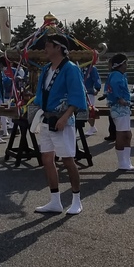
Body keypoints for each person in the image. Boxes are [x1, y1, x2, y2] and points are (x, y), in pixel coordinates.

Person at [32, 33, 88, 215]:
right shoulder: (47, 68)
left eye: (48, 45)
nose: (45, 49)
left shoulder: (70, 68)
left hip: (62, 121)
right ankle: (55, 201)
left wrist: (65, 117)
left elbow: (77, 94)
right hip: (47, 119)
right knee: (47, 159)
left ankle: (76, 199)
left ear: (58, 47)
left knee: (68, 159)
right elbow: (41, 95)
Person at [105, 54, 134, 171]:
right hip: (119, 107)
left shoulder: (118, 75)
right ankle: (122, 162)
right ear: (121, 64)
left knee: (127, 134)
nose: (126, 66)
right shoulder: (116, 75)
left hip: (123, 107)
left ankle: (126, 161)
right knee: (122, 134)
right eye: (125, 63)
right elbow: (114, 87)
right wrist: (119, 98)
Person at [82, 61, 101, 137]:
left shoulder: (92, 69)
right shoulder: (81, 68)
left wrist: (97, 88)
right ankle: (92, 127)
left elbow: (96, 78)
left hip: (89, 92)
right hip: (83, 92)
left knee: (90, 110)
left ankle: (92, 127)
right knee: (84, 111)